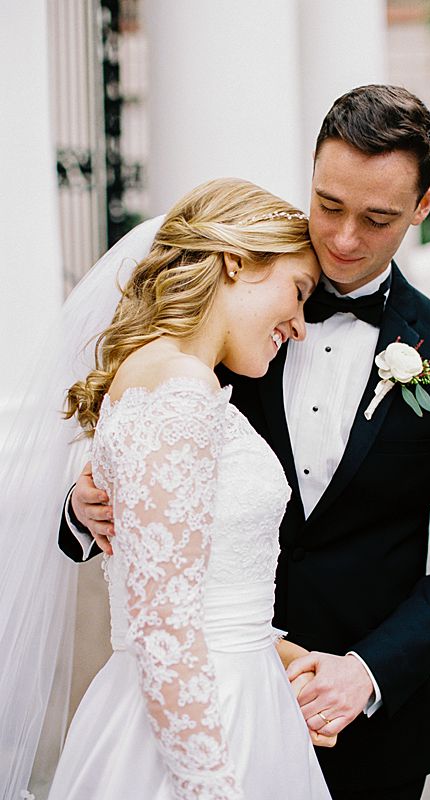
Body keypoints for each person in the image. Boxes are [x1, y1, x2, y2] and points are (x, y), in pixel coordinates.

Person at [61, 85, 430, 800]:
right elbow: (144, 443)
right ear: (312, 173)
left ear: (424, 208)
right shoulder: (237, 312)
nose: (342, 239)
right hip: (195, 715)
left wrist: (366, 670)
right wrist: (84, 506)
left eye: (378, 218)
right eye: (329, 204)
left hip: (367, 735)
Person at [3, 177, 336, 799]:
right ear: (237, 260)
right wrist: (209, 785)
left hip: (231, 692)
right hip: (204, 723)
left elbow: (199, 592)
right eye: (297, 291)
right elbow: (163, 626)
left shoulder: (173, 382)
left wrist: (284, 657)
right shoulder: (180, 393)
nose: (299, 325)